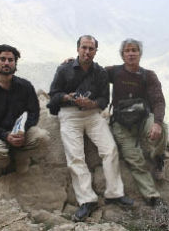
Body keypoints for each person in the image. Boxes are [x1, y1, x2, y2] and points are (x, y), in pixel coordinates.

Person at [49, 35, 133, 222]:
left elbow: (104, 99)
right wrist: (67, 97)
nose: (87, 52)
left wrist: (92, 103)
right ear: (78, 48)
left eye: (91, 49)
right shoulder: (64, 69)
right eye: (84, 48)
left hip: (93, 114)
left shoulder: (100, 72)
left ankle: (114, 193)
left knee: (109, 149)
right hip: (69, 114)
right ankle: (87, 200)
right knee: (76, 157)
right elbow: (53, 94)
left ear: (96, 51)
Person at [106, 38, 168, 206]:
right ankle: (153, 197)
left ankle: (158, 157)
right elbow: (91, 72)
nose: (131, 53)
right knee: (135, 160)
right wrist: (70, 62)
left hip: (142, 120)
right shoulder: (114, 72)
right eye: (127, 50)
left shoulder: (148, 75)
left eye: (134, 50)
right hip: (121, 124)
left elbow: (158, 101)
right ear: (122, 54)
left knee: (163, 128)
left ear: (140, 54)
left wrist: (157, 123)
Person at [0, 44, 48, 179]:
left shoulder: (25, 86)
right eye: (2, 59)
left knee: (42, 138)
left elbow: (34, 113)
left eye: (10, 60)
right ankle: (2, 163)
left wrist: (22, 131)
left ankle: (21, 156)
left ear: (15, 63)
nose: (6, 63)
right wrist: (6, 135)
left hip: (21, 133)